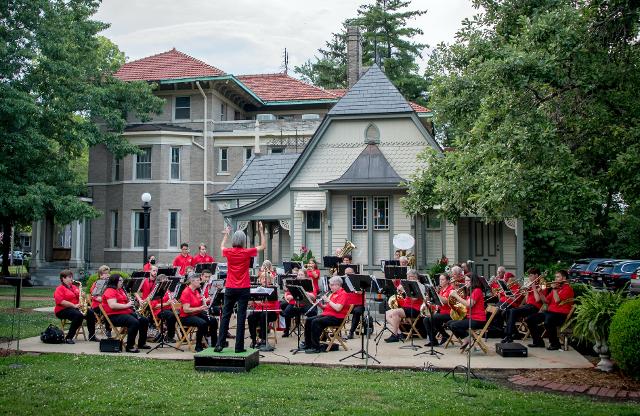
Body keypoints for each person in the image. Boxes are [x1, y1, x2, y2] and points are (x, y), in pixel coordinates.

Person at [214, 222, 266, 353]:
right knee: (241, 317)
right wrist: (261, 231)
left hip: (230, 287)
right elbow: (263, 246)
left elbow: (221, 247)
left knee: (226, 315)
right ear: (243, 241)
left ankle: (219, 345)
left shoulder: (229, 252)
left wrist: (226, 234)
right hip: (243, 287)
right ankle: (239, 347)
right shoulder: (246, 252)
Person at [525, 269, 574, 350]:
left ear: (564, 278)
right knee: (530, 319)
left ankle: (555, 344)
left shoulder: (568, 289)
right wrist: (540, 292)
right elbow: (546, 301)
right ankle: (538, 342)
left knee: (548, 321)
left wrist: (554, 289)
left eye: (558, 277)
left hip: (561, 314)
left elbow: (557, 301)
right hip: (550, 312)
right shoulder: (557, 288)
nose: (555, 279)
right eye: (555, 277)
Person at [102, 274, 150, 353]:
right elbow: (112, 305)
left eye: (122, 280)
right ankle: (130, 346)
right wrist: (127, 305)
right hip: (113, 315)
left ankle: (142, 343)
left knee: (144, 320)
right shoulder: (110, 291)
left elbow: (125, 301)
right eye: (120, 281)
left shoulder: (120, 289)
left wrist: (130, 302)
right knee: (134, 322)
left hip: (125, 312)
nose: (122, 282)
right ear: (114, 282)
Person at [303, 276, 349, 353]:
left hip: (337, 318)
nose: (330, 287)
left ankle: (316, 347)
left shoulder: (343, 294)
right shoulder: (333, 294)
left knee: (316, 322)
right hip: (328, 315)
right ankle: (308, 344)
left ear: (337, 285)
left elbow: (338, 308)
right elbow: (327, 308)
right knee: (309, 320)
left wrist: (328, 300)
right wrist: (319, 305)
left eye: (331, 285)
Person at [54, 269, 98, 343]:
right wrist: (73, 305)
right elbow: (61, 301)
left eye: (72, 277)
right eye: (69, 277)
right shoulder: (59, 289)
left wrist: (83, 296)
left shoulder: (74, 287)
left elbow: (80, 296)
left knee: (90, 312)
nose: (71, 279)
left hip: (75, 308)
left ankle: (92, 336)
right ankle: (68, 338)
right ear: (63, 278)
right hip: (62, 310)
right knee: (78, 315)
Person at [501, 268, 544, 343]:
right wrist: (525, 291)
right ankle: (513, 334)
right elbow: (527, 300)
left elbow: (538, 300)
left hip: (535, 307)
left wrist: (534, 288)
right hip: (528, 305)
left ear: (536, 275)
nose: (529, 278)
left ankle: (509, 336)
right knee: (506, 312)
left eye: (531, 276)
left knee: (513, 311)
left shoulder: (542, 284)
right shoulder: (532, 283)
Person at [446, 274, 486, 351]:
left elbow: (469, 304)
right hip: (470, 317)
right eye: (465, 280)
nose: (465, 282)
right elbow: (464, 303)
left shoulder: (477, 290)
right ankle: (467, 338)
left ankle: (468, 339)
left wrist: (456, 296)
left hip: (478, 320)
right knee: (449, 323)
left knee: (454, 325)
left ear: (473, 281)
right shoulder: (470, 290)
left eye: (468, 281)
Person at [180, 273, 218, 352]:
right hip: (186, 317)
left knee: (213, 320)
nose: (200, 282)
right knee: (202, 323)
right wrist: (199, 308)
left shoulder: (196, 291)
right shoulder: (186, 292)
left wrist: (206, 301)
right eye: (197, 280)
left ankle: (214, 343)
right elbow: (186, 309)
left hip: (196, 313)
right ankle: (198, 345)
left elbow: (199, 302)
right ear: (192, 282)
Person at [384, 269, 424, 342]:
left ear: (415, 277)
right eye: (407, 277)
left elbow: (414, 299)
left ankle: (395, 335)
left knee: (394, 313)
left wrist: (405, 289)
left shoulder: (419, 285)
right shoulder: (409, 284)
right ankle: (399, 333)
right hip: (407, 307)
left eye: (409, 277)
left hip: (415, 309)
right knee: (387, 313)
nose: (408, 278)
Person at [247, 262, 279, 348]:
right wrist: (252, 303)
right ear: (260, 280)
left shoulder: (273, 289)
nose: (264, 280)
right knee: (250, 317)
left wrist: (260, 303)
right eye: (263, 279)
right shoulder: (257, 289)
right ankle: (254, 340)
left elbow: (273, 305)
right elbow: (254, 304)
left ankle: (264, 339)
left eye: (267, 279)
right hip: (260, 311)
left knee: (263, 315)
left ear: (270, 280)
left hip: (271, 312)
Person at [281, 270, 317, 337]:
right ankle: (287, 330)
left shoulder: (310, 283)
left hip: (306, 304)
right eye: (299, 275)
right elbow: (288, 296)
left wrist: (304, 293)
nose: (299, 276)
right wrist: (293, 296)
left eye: (301, 275)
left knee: (312, 312)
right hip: (295, 303)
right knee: (286, 312)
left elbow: (313, 297)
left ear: (305, 276)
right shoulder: (293, 283)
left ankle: (310, 332)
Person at [423, 273, 455, 347]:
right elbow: (438, 302)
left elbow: (446, 301)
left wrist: (435, 293)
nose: (440, 281)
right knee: (425, 320)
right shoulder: (441, 289)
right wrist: (429, 298)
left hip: (450, 313)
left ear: (447, 281)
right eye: (440, 279)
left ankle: (444, 335)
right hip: (441, 312)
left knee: (432, 318)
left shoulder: (451, 289)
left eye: (443, 279)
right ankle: (433, 341)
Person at [149, 274, 177, 343]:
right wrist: (167, 303)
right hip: (158, 311)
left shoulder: (167, 290)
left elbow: (170, 300)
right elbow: (154, 306)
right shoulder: (156, 291)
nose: (167, 283)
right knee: (171, 315)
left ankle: (170, 334)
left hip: (168, 309)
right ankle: (170, 336)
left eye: (167, 281)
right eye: (165, 282)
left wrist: (173, 300)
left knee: (178, 314)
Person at [90, 265, 112, 338]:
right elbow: (92, 295)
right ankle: (108, 330)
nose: (107, 275)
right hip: (97, 305)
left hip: (107, 304)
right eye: (105, 273)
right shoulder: (97, 283)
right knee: (107, 310)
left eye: (108, 273)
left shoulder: (110, 284)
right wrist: (97, 298)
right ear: (100, 275)